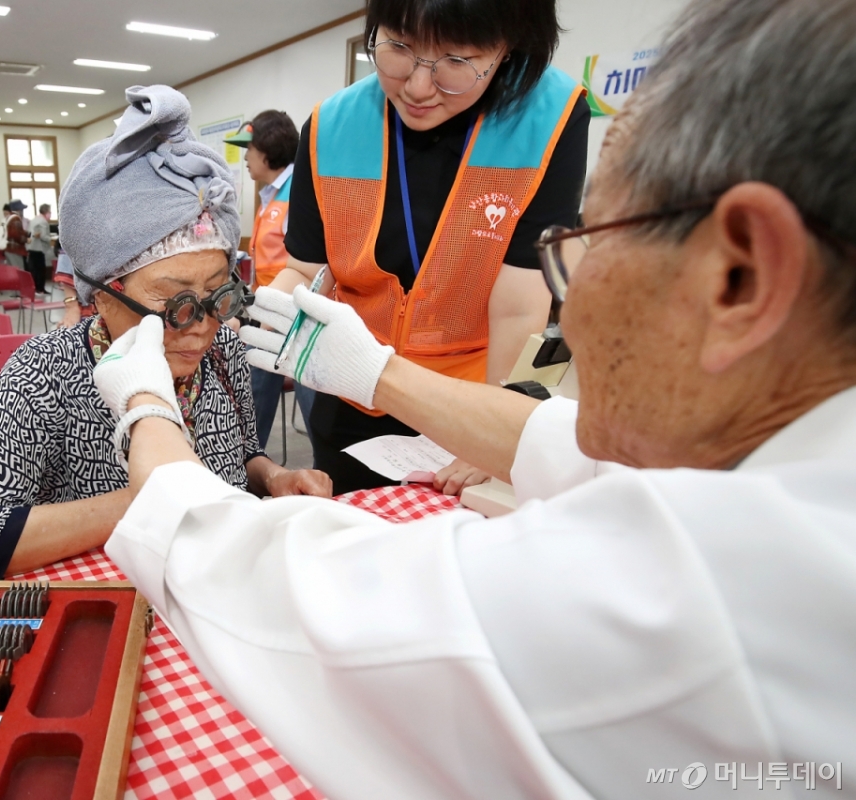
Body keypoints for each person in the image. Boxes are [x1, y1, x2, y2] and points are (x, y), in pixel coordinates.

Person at [92, 0, 856, 796]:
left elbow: (308, 610)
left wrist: (147, 408)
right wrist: (376, 374)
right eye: (401, 51)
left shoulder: (705, 591)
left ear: (743, 275)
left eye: (586, 240)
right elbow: (562, 447)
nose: (572, 308)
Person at [0, 86, 332, 581]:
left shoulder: (224, 350)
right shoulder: (44, 373)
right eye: (174, 303)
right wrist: (162, 495)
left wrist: (273, 476)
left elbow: (242, 454)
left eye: (218, 294)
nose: (205, 327)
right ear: (101, 296)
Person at [268, 0, 589, 494]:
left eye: (457, 61)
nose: (418, 87)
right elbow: (308, 269)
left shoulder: (550, 118)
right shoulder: (330, 126)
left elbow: (519, 305)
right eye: (399, 47)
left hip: (473, 397)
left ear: (509, 47)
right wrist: (269, 310)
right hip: (352, 392)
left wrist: (492, 430)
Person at [226, 111, 316, 448]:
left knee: (312, 402)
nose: (245, 158)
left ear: (267, 149)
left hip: (299, 316)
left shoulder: (299, 190)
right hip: (268, 312)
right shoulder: (270, 195)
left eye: (247, 149)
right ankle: (250, 466)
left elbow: (309, 267)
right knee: (253, 396)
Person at [26, 203, 54, 296]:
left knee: (34, 269)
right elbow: (43, 235)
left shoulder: (34, 219)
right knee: (41, 270)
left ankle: (36, 288)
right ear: (46, 212)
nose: (50, 214)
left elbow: (30, 233)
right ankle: (40, 289)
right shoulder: (43, 221)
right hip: (39, 248)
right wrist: (52, 238)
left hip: (31, 247)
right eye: (49, 211)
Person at [3, 200, 28, 268]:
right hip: (15, 250)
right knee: (18, 270)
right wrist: (26, 240)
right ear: (19, 209)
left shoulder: (8, 218)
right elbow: (15, 234)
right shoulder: (16, 218)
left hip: (9, 248)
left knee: (11, 271)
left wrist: (29, 234)